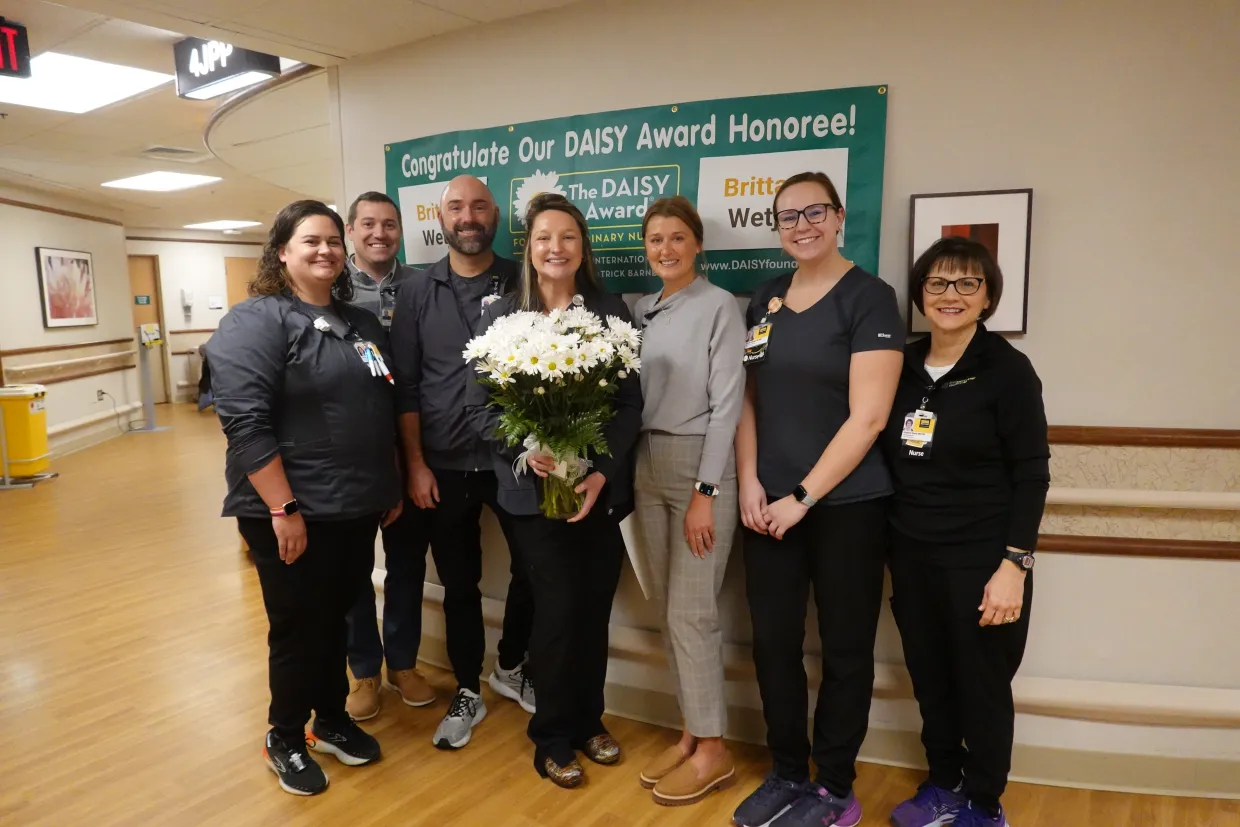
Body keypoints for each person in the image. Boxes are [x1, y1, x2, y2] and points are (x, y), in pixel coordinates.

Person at [205, 200, 403, 796]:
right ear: (282, 252)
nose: (326, 251)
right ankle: (284, 736)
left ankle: (332, 720)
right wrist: (283, 508)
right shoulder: (256, 321)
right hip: (287, 511)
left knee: (340, 618)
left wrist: (385, 484)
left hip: (353, 507)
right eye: (310, 241)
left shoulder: (360, 323)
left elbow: (379, 407)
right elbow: (245, 424)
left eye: (333, 242)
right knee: (299, 628)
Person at [731, 172, 904, 827]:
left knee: (844, 648)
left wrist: (802, 496)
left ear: (837, 217)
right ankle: (785, 770)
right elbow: (749, 398)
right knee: (773, 643)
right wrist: (750, 480)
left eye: (813, 212)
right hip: (765, 505)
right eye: (787, 216)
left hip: (845, 507)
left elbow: (869, 417)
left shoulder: (870, 298)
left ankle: (833, 785)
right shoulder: (766, 297)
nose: (801, 225)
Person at [464, 193, 642, 789]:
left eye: (568, 237)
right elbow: (478, 408)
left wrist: (600, 473)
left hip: (596, 492)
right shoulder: (500, 319)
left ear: (582, 246)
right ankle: (552, 736)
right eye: (544, 238)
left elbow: (627, 407)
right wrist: (523, 452)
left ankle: (589, 720)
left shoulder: (610, 313)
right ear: (529, 249)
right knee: (558, 611)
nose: (556, 248)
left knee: (593, 609)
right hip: (530, 499)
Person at [882, 237, 1049, 827]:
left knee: (981, 684)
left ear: (987, 298)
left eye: (966, 284)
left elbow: (1031, 474)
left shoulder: (1006, 370)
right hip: (911, 551)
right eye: (937, 284)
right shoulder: (899, 364)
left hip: (983, 557)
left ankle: (983, 802)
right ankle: (944, 782)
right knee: (930, 676)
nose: (950, 295)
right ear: (921, 295)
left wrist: (1014, 566)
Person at [389, 174, 536, 750]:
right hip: (444, 466)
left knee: (534, 569)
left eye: (478, 206)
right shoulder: (419, 293)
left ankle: (512, 664)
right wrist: (416, 464)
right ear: (441, 218)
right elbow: (405, 390)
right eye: (456, 207)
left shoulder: (523, 284)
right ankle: (469, 687)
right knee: (459, 583)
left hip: (513, 462)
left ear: (494, 214)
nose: (467, 216)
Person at [630, 197, 745, 806]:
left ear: (697, 245)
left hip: (700, 463)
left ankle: (716, 751)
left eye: (678, 238)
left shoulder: (719, 305)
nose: (666, 249)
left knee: (691, 613)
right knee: (668, 609)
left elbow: (729, 405)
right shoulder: (642, 309)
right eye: (655, 239)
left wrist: (707, 491)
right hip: (645, 464)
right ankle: (692, 732)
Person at [341, 191, 436, 720]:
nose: (380, 234)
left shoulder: (421, 285)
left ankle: (402, 663)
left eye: (390, 225)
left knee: (405, 565)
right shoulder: (329, 289)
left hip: (414, 443)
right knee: (355, 568)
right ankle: (364, 672)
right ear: (352, 231)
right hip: (354, 452)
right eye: (369, 224)